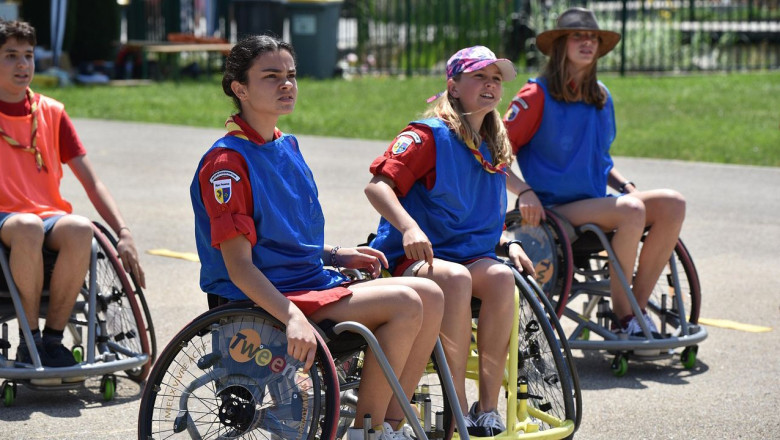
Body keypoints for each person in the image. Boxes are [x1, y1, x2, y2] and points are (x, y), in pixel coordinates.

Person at [189, 35, 444, 440]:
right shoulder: (227, 164)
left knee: (431, 293)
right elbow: (239, 266)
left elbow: (281, 239)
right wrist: (291, 316)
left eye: (290, 75)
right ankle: (368, 430)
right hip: (264, 299)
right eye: (271, 76)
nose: (286, 84)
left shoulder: (286, 145)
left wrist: (337, 255)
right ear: (240, 89)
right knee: (406, 302)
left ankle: (391, 426)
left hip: (306, 284)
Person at [364, 46, 535, 436]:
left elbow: (478, 216)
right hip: (412, 258)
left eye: (495, 79)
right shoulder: (428, 136)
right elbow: (377, 188)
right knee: (456, 279)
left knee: (502, 279)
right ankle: (456, 405)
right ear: (453, 86)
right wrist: (409, 227)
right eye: (479, 77)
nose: (490, 85)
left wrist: (507, 243)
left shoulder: (492, 142)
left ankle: (486, 409)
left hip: (468, 255)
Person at [503, 7, 686, 335]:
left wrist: (625, 184)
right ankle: (623, 315)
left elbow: (601, 161)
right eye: (578, 36)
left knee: (673, 203)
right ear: (561, 44)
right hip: (552, 211)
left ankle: (635, 311)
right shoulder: (536, 94)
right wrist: (524, 192)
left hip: (596, 203)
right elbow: (494, 157)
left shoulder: (601, 96)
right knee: (631, 210)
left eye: (593, 38)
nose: (587, 42)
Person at [0, 19, 145, 369]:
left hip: (47, 215)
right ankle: (29, 340)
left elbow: (92, 182)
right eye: (10, 56)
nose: (23, 65)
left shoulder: (51, 111)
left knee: (82, 228)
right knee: (27, 227)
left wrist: (123, 233)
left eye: (29, 55)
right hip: (8, 217)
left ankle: (52, 339)